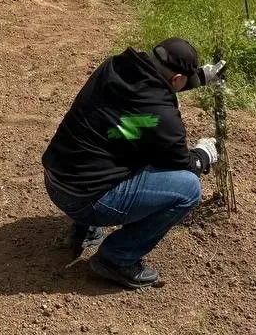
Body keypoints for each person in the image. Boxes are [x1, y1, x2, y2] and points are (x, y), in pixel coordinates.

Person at [41, 38, 224, 289]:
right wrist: (203, 154)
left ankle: (84, 229)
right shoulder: (162, 117)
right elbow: (186, 164)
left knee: (113, 134)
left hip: (56, 178)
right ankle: (116, 259)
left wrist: (199, 77)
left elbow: (149, 90)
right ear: (177, 79)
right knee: (188, 188)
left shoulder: (114, 67)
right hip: (87, 200)